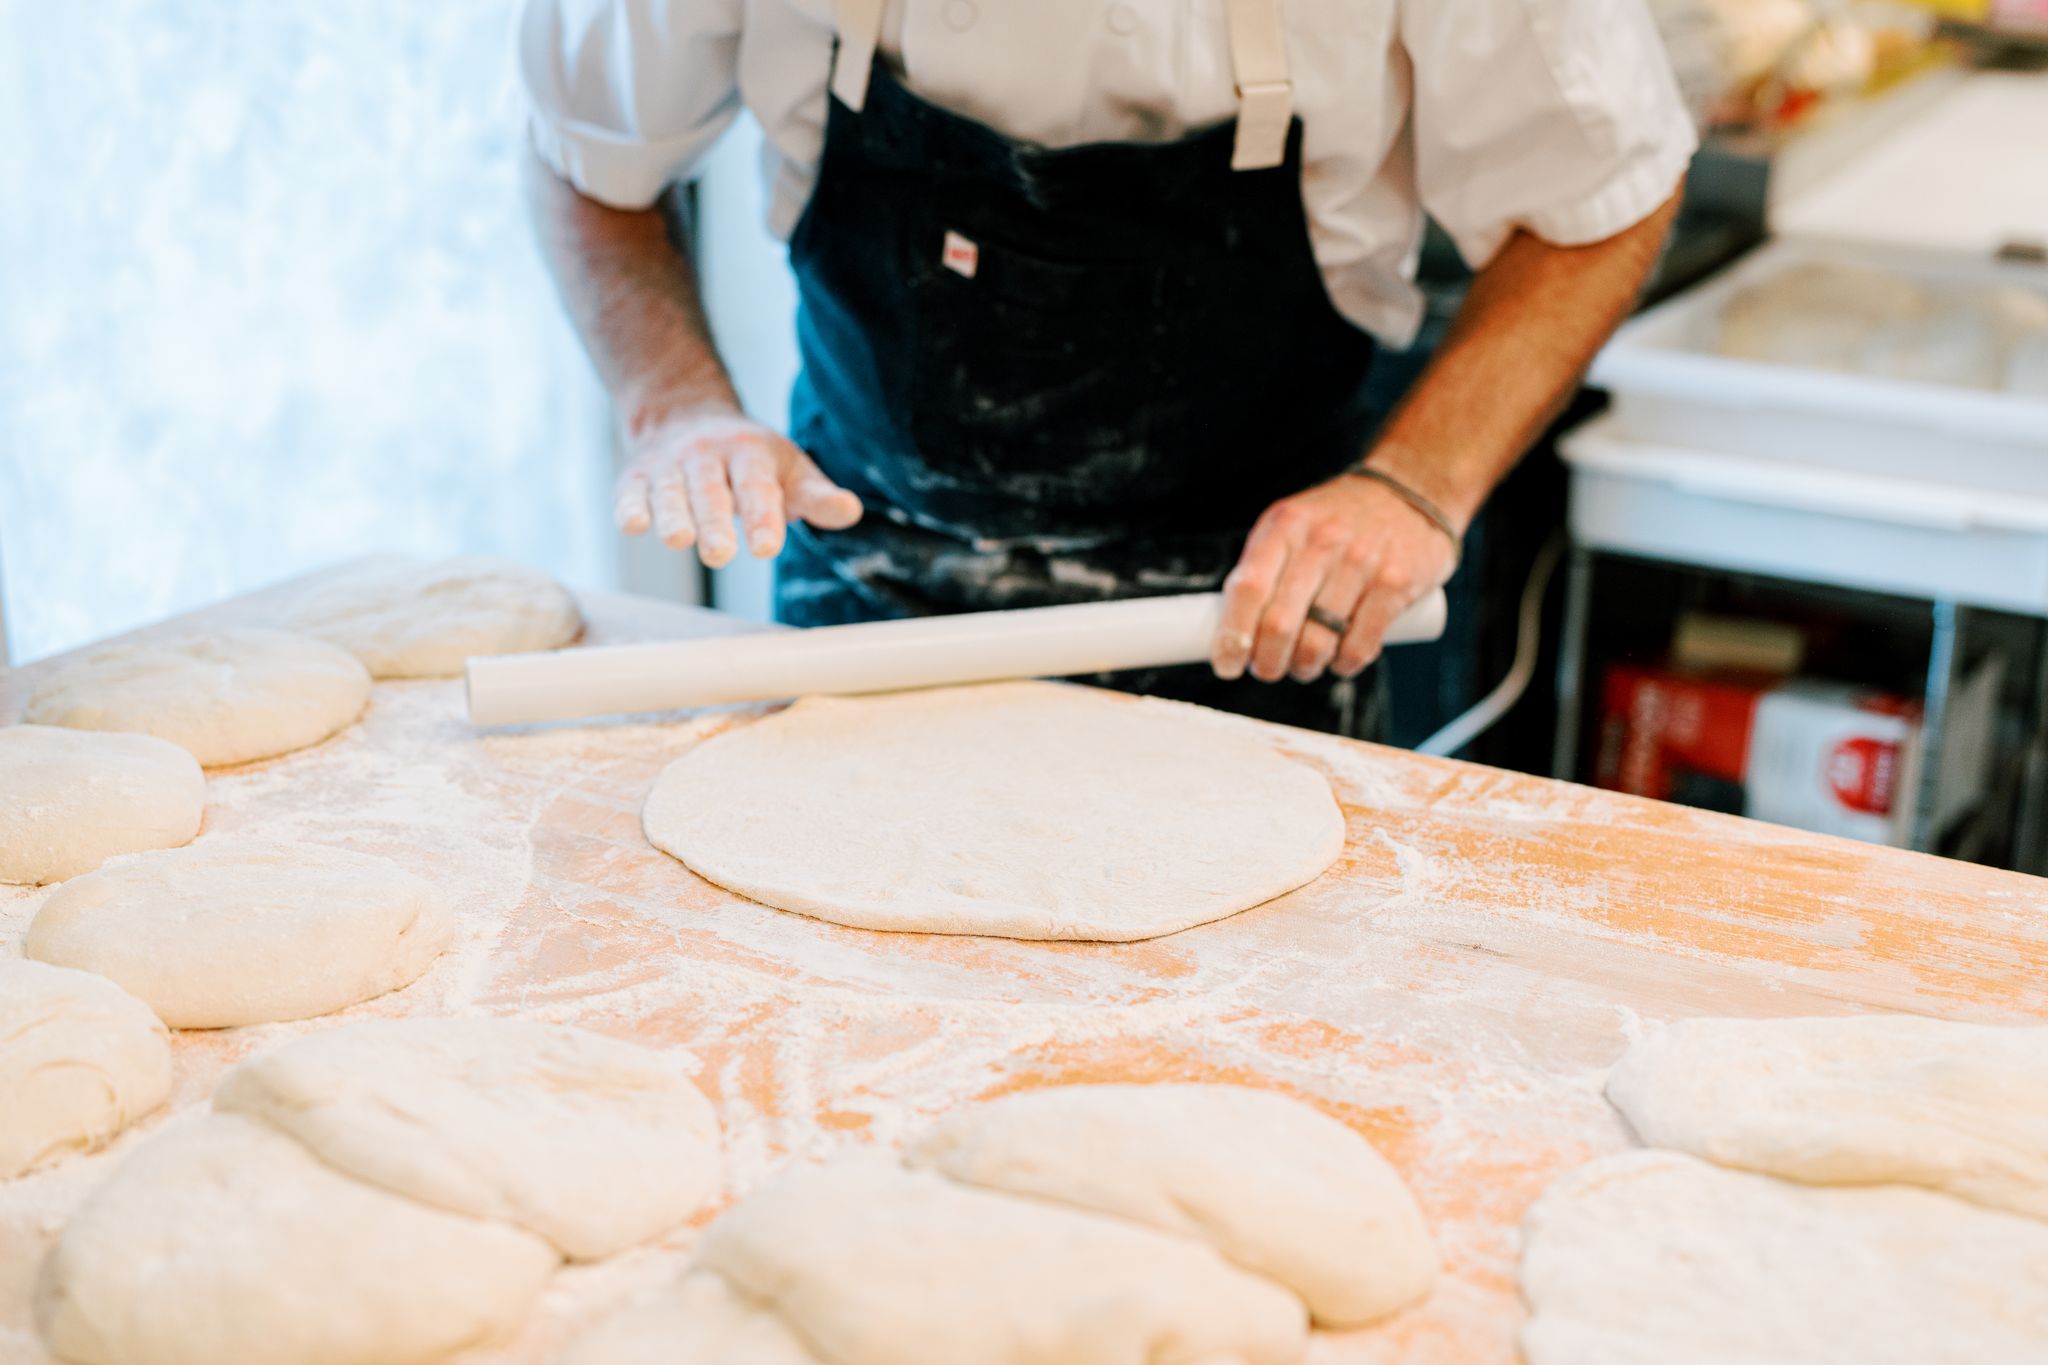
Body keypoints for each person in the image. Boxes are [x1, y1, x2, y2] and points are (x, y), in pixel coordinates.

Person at [519, 0, 1694, 737]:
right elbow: (584, 153)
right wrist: (674, 405)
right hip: (862, 592)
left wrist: (1415, 484)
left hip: (1255, 618)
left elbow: (1596, 199)